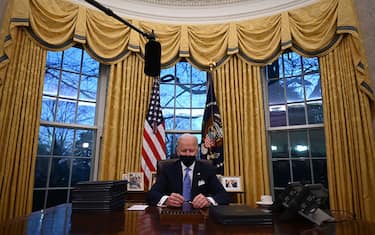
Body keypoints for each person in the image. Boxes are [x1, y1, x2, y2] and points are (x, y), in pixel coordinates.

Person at [146, 133, 230, 208]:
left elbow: (223, 196)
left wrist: (208, 201)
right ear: (177, 151)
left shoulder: (207, 169)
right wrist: (166, 200)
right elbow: (151, 194)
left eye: (191, 151)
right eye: (184, 150)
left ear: (197, 151)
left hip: (200, 215)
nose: (187, 154)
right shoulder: (168, 169)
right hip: (173, 215)